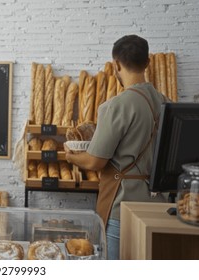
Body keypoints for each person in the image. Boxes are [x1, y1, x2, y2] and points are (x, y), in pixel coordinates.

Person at [64, 35, 169, 260]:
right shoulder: (166, 102)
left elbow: (95, 161)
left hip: (122, 207)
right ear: (147, 62)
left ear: (116, 65)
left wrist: (72, 157)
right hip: (159, 208)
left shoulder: (116, 106)